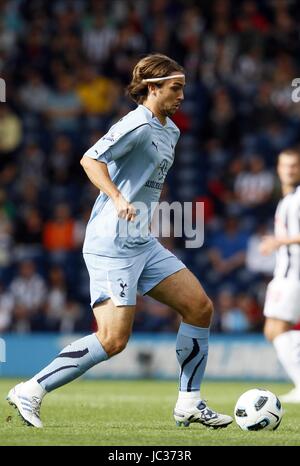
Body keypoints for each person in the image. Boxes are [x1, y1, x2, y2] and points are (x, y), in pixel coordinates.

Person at [7, 54, 232, 428]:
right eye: (175, 88)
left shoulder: (170, 130)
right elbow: (90, 160)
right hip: (112, 241)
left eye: (183, 88)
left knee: (199, 307)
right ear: (152, 88)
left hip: (140, 240)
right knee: (112, 339)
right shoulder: (136, 124)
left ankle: (189, 402)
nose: (181, 95)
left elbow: (149, 182)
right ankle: (30, 389)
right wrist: (117, 197)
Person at [260, 148, 300, 403]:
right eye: (284, 166)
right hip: (285, 273)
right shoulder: (287, 199)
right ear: (278, 169)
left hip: (294, 274)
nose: (289, 170)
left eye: (294, 166)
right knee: (272, 330)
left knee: (276, 330)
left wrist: (279, 241)